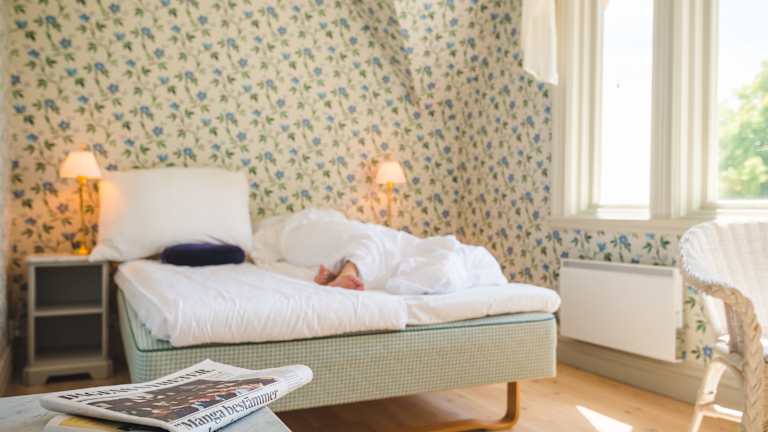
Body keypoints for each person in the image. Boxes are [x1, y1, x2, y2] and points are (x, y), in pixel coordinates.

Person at [252, 208, 507, 295]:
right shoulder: (289, 228)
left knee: (375, 238)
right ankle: (348, 270)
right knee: (366, 239)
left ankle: (346, 271)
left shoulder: (336, 220)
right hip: (299, 230)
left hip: (362, 234)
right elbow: (261, 251)